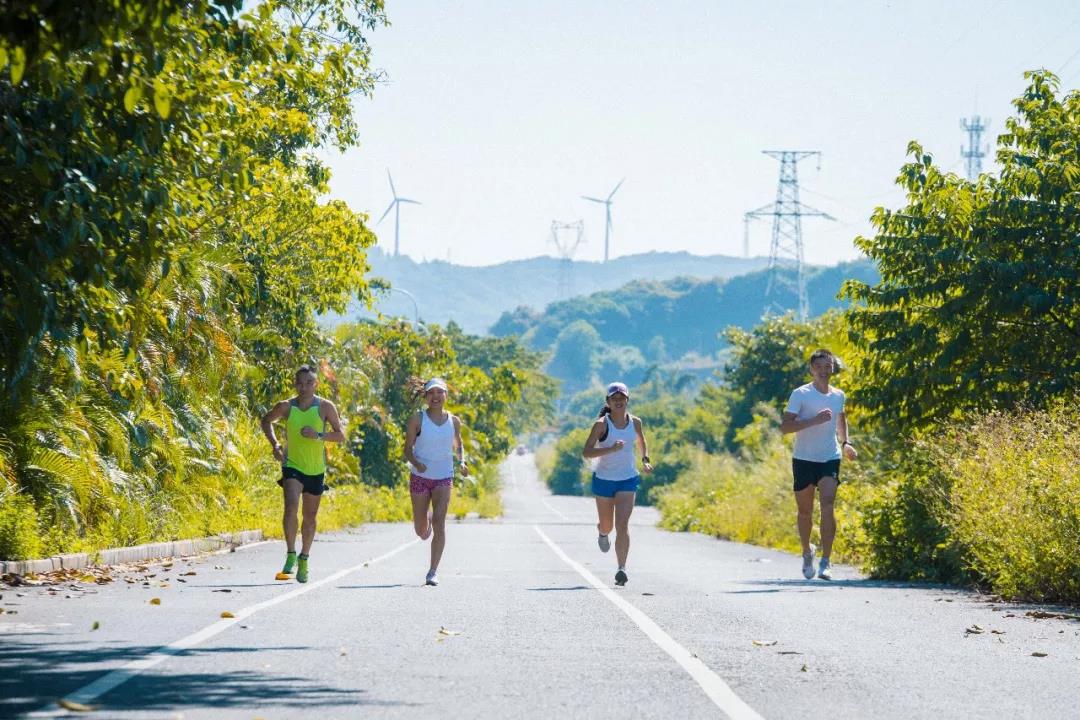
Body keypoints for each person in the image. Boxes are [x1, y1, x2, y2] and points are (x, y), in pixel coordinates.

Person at [260, 364, 345, 583]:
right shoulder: (286, 406)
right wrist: (276, 445)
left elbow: (340, 435)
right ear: (295, 384)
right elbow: (266, 420)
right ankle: (290, 553)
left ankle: (304, 557)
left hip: (315, 469)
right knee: (290, 507)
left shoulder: (325, 407)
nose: (304, 387)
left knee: (309, 518)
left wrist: (318, 434)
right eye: (300, 383)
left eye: (309, 383)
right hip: (292, 465)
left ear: (316, 384)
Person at [780, 349, 857, 580]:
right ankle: (807, 552)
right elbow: (785, 427)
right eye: (819, 367)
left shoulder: (838, 395)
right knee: (805, 512)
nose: (824, 371)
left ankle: (826, 561)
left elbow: (840, 418)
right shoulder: (800, 394)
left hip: (829, 456)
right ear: (812, 370)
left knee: (827, 503)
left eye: (828, 366)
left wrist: (845, 443)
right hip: (803, 458)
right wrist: (814, 420)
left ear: (833, 368)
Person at [582, 381, 653, 586]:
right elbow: (587, 452)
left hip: (628, 479)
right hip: (604, 480)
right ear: (608, 402)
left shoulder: (635, 422)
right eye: (614, 399)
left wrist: (645, 459)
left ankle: (621, 568)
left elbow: (641, 440)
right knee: (608, 525)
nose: (618, 402)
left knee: (622, 525)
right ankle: (602, 532)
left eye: (622, 398)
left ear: (627, 400)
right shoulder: (601, 425)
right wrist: (610, 449)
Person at [404, 377, 468, 587]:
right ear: (425, 396)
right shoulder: (417, 419)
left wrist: (462, 463)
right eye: (431, 393)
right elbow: (406, 449)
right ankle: (425, 522)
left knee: (440, 523)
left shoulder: (454, 421)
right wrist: (416, 463)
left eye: (440, 392)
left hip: (443, 476)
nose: (435, 397)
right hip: (420, 477)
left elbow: (459, 444)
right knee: (421, 531)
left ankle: (432, 571)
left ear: (446, 396)